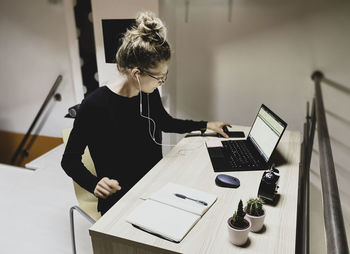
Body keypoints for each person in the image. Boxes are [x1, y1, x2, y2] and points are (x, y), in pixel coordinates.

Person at [61, 11, 230, 215]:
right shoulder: (94, 106)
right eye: (159, 77)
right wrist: (95, 184)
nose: (161, 82)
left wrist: (206, 125)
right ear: (136, 73)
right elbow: (69, 160)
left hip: (155, 185)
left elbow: (165, 122)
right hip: (121, 198)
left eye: (164, 76)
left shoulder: (147, 92)